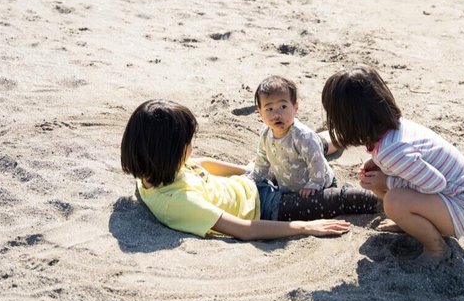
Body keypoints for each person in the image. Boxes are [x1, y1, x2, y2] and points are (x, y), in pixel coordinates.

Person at [120, 99, 379, 241]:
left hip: (253, 181)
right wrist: (305, 228)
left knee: (300, 146)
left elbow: (203, 163)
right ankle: (388, 199)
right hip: (268, 207)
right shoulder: (176, 203)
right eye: (188, 143)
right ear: (167, 152)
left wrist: (249, 170)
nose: (192, 147)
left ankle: (342, 137)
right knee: (340, 199)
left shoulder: (155, 171)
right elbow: (245, 229)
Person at [321, 65, 464, 264]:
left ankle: (437, 248)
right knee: (387, 190)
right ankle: (411, 222)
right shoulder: (391, 131)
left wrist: (387, 181)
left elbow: (436, 184)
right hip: (454, 198)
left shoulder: (393, 150)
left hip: (461, 210)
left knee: (394, 201)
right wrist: (376, 164)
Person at [248, 75, 335, 198]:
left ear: (295, 107)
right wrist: (255, 177)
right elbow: (262, 159)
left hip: (318, 186)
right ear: (260, 112)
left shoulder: (303, 136)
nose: (277, 114)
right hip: (287, 186)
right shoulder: (266, 133)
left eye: (283, 107)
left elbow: (316, 161)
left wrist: (314, 183)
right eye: (269, 109)